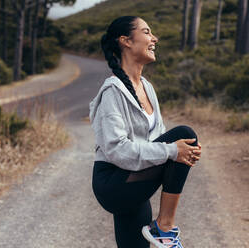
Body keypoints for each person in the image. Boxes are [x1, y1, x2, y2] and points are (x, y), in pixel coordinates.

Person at [89, 16, 202, 248]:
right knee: (184, 134)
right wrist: (173, 151)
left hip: (136, 176)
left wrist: (179, 156)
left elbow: (156, 140)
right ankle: (165, 226)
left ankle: (161, 229)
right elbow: (116, 149)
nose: (155, 38)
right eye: (147, 32)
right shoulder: (113, 91)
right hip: (114, 182)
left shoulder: (147, 88)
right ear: (126, 41)